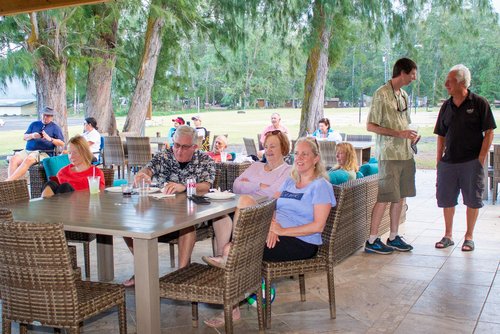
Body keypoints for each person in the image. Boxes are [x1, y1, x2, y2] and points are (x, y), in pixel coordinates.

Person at [202, 136, 335, 328]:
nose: (299, 157)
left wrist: (281, 230)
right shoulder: (291, 182)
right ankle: (238, 268)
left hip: (302, 242)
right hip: (276, 232)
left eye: (305, 154)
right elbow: (273, 204)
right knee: (245, 200)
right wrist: (272, 224)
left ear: (315, 158)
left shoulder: (321, 185)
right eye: (297, 153)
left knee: (232, 252)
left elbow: (318, 226)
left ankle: (233, 306)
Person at [122, 125, 215, 287]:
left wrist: (185, 187)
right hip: (161, 212)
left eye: (184, 147)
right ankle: (144, 269)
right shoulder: (163, 156)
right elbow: (148, 170)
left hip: (193, 211)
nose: (178, 150)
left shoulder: (204, 160)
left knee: (187, 224)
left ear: (194, 146)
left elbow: (206, 186)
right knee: (127, 225)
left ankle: (181, 275)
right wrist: (143, 174)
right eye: (176, 145)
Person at [434, 64, 496, 252]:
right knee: (447, 199)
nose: (446, 84)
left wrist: (481, 158)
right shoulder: (446, 105)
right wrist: (439, 160)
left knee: (472, 199)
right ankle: (448, 235)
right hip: (448, 162)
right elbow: (441, 134)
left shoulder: (479, 103)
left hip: (471, 162)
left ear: (462, 83)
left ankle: (469, 236)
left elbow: (489, 132)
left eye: (450, 81)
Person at [364, 57, 419, 254]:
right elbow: (371, 125)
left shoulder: (404, 95)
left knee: (401, 196)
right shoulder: (381, 94)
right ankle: (372, 240)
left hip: (405, 153)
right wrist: (398, 134)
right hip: (389, 154)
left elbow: (403, 122)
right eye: (412, 73)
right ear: (402, 72)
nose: (414, 77)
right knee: (386, 196)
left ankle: (394, 236)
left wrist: (411, 135)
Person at [210, 130, 292, 256]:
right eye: (266, 147)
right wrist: (259, 185)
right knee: (221, 217)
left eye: (273, 146)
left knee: (231, 217)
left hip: (264, 216)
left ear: (283, 148)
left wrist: (248, 184)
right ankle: (223, 259)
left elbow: (272, 193)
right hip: (240, 209)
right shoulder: (256, 165)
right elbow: (236, 185)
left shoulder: (287, 171)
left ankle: (227, 259)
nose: (268, 150)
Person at [6, 106, 65, 181]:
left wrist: (49, 138)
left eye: (49, 116)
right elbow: (24, 137)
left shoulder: (55, 128)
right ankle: (12, 185)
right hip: (28, 151)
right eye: (45, 115)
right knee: (13, 159)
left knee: (28, 159)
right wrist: (32, 135)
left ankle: (8, 182)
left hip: (42, 153)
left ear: (52, 117)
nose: (46, 117)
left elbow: (62, 143)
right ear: (41, 115)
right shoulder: (34, 124)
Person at [41, 135, 105, 197]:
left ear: (84, 152)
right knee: (50, 184)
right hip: (61, 205)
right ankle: (45, 206)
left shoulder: (96, 173)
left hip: (85, 205)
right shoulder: (63, 172)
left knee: (65, 186)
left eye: (75, 152)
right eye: (69, 152)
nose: (71, 157)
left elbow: (101, 195)